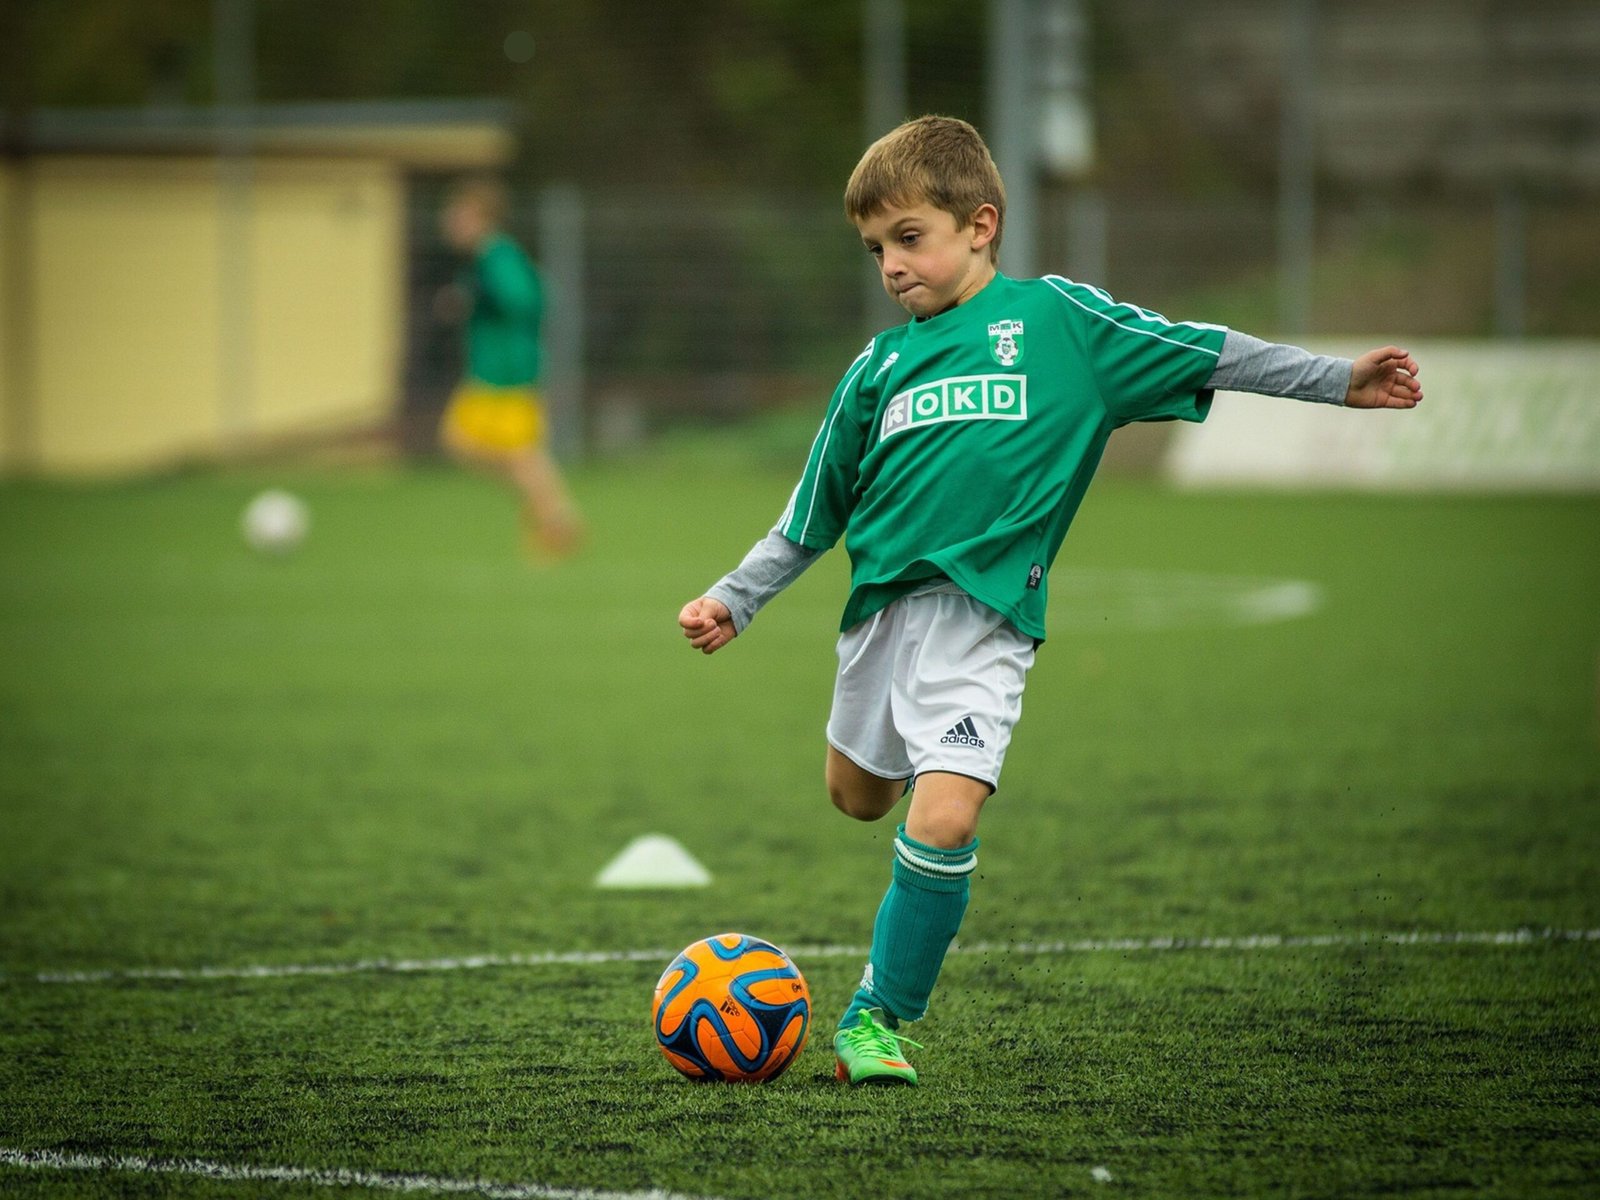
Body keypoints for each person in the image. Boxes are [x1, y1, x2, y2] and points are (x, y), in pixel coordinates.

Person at [677, 115, 1422, 1087]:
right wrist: (736, 600)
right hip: (877, 625)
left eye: (910, 238)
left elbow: (1205, 350)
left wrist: (1334, 380)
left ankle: (876, 1017)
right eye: (874, 249)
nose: (892, 265)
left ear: (979, 224)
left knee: (941, 821)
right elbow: (811, 514)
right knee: (856, 797)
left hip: (984, 625)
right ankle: (918, 783)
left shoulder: (1061, 325)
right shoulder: (876, 370)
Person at [437, 175, 582, 557]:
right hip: (490, 371)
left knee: (517, 454)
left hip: (508, 372)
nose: (451, 222)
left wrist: (481, 297)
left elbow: (528, 298)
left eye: (460, 215)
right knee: (468, 445)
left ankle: (555, 518)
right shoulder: (484, 260)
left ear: (482, 218)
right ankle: (550, 511)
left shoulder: (496, 256)